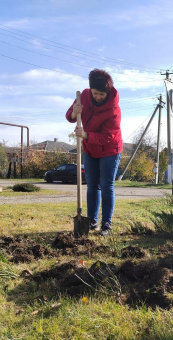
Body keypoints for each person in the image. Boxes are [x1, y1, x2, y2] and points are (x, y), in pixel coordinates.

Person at [66, 69, 122, 236]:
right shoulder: (83, 96)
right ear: (90, 89)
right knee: (91, 186)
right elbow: (69, 116)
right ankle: (91, 221)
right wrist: (75, 112)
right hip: (90, 149)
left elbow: (108, 137)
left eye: (102, 94)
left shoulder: (114, 110)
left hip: (110, 150)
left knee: (106, 186)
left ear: (108, 92)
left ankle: (106, 224)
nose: (98, 97)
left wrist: (86, 135)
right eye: (96, 93)